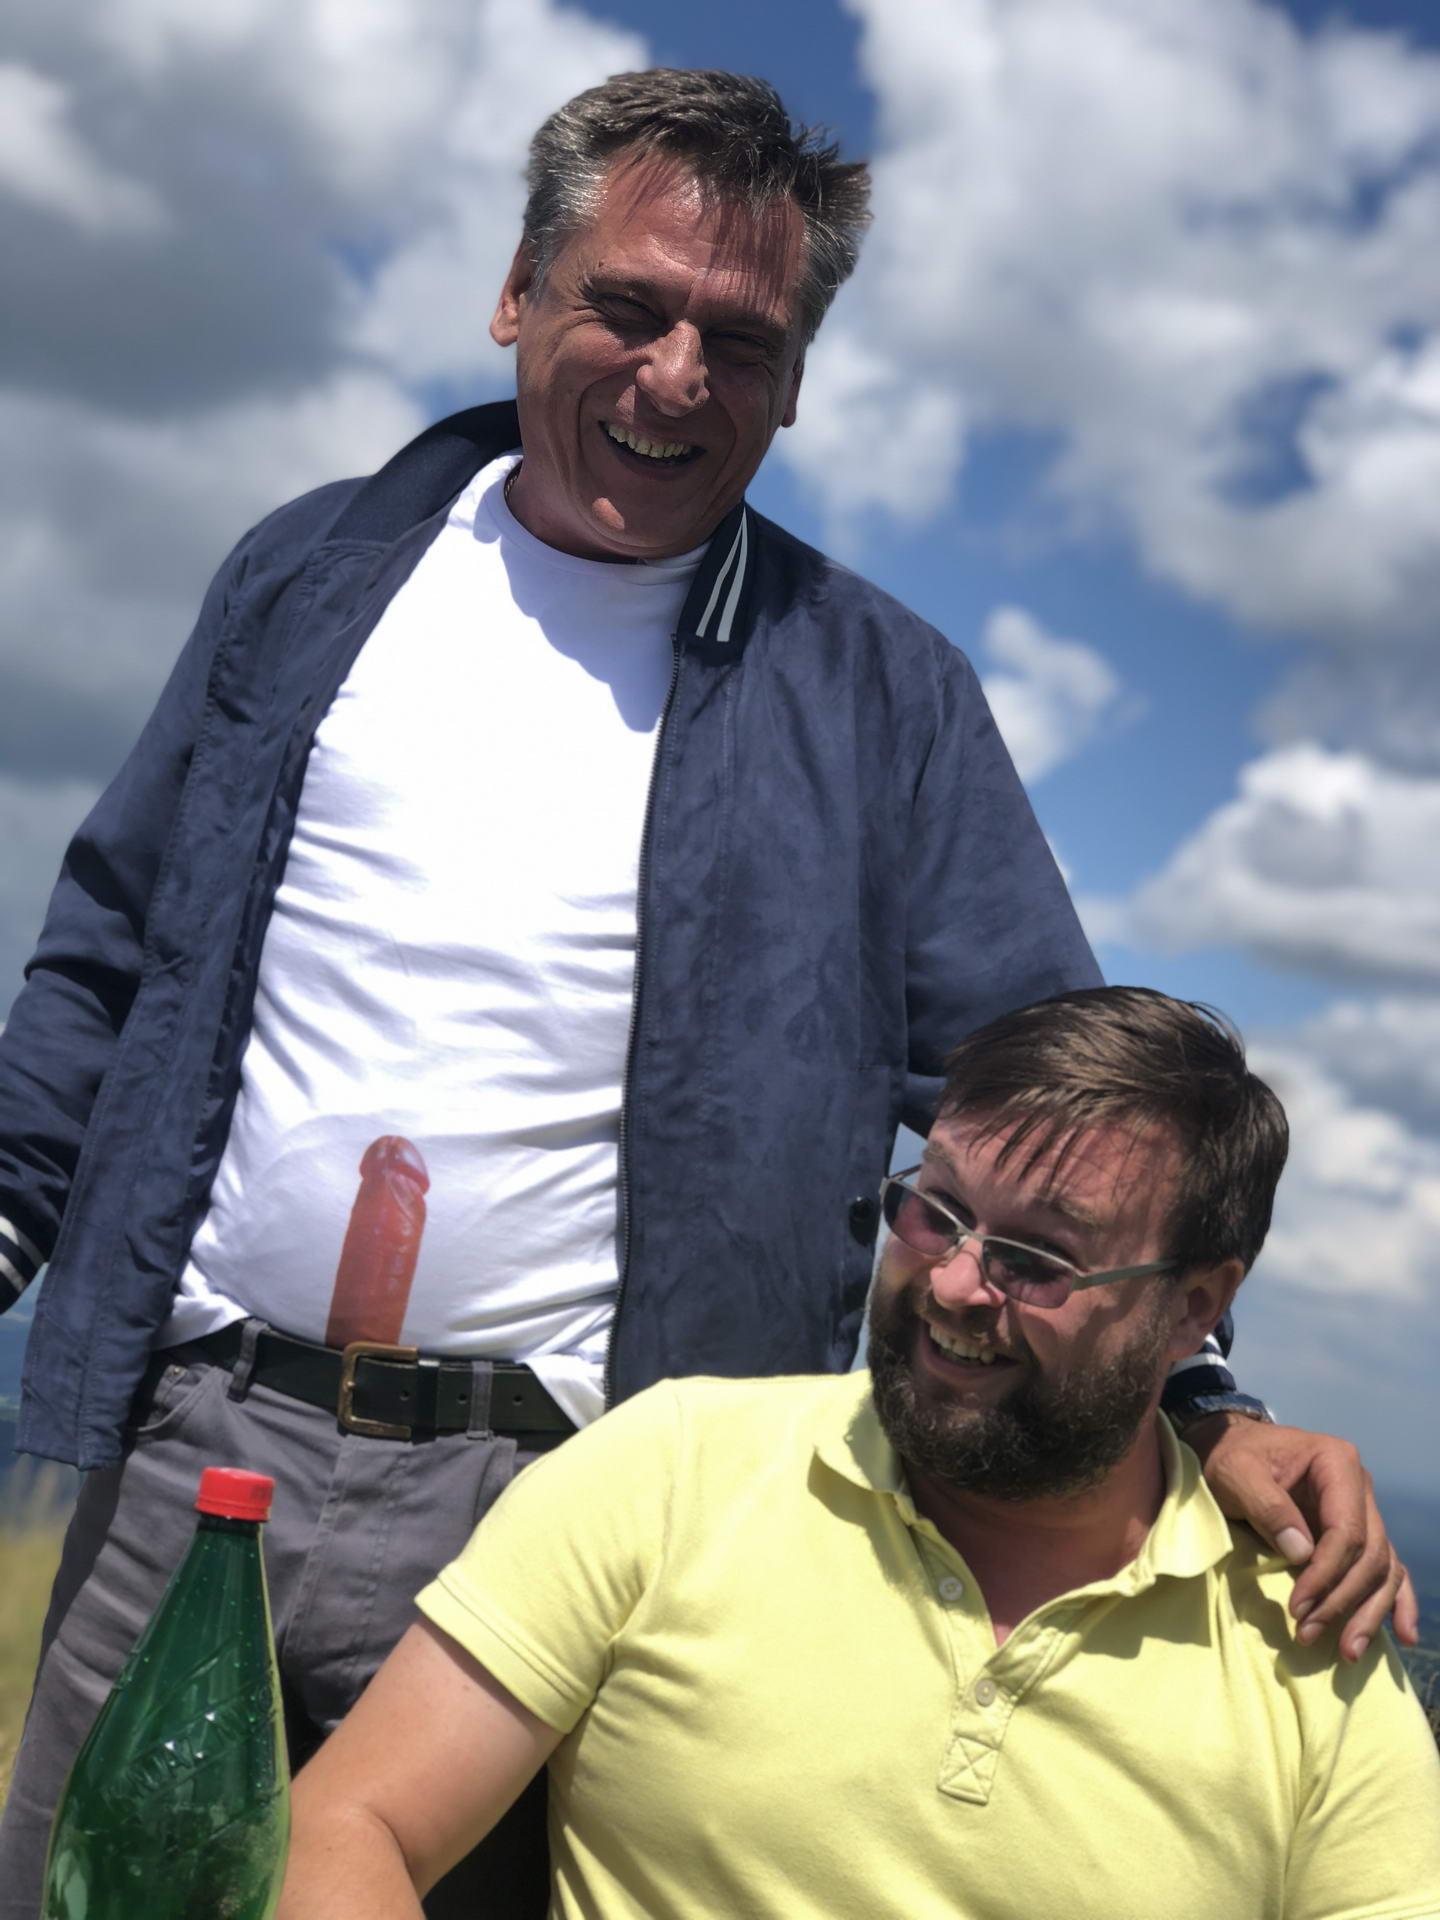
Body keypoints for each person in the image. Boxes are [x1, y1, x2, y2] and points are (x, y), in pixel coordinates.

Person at [0, 70, 1414, 1920]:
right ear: (518, 293)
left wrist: (1207, 1400)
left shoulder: (883, 695)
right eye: (629, 306)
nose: (676, 376)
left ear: (797, 382)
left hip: (566, 1514)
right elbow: (112, 944)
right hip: (193, 1452)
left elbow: (1061, 1105)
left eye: (740, 340)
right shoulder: (310, 574)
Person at [278, 988, 1440, 1920]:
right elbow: (346, 1826)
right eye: (937, 1209)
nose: (954, 1283)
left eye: (1037, 1259)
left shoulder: (1310, 1637)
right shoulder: (673, 1472)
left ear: (1194, 1309)